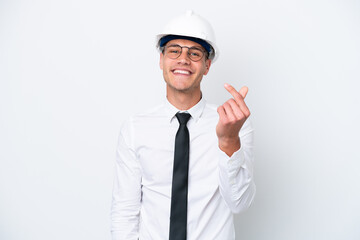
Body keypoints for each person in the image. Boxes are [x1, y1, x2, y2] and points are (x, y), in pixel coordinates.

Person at [111, 10, 256, 240]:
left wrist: (229, 141)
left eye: (195, 53)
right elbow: (124, 213)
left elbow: (239, 203)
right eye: (174, 50)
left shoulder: (234, 125)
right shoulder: (135, 128)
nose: (183, 59)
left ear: (207, 66)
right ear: (161, 60)